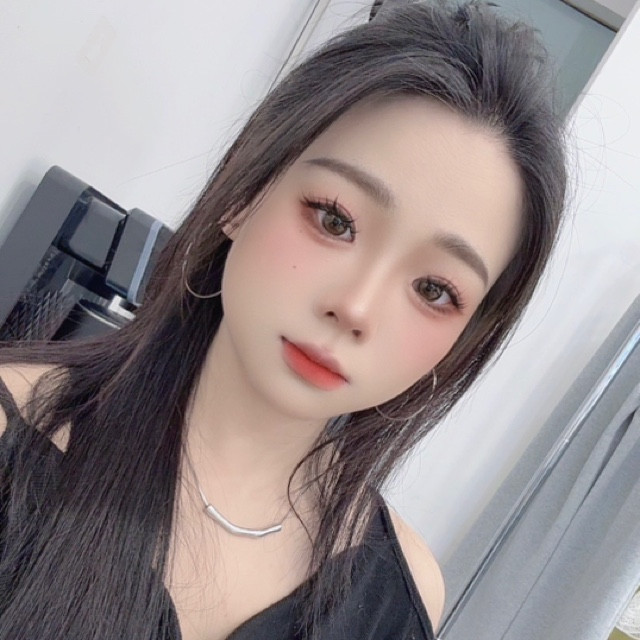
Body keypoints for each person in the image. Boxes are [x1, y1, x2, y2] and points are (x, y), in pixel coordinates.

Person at [0, 2, 566, 639]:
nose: (355, 307)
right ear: (246, 194)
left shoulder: (401, 595)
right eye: (334, 220)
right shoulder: (14, 436)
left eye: (434, 289)